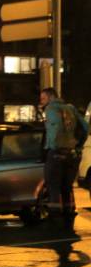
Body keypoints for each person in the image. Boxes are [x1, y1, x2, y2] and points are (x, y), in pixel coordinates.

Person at [40, 87, 89, 230]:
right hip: (72, 154)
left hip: (56, 153)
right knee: (67, 187)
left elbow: (53, 132)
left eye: (43, 98)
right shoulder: (71, 108)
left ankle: (54, 216)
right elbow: (86, 127)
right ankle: (69, 212)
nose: (41, 101)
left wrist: (50, 147)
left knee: (53, 185)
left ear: (50, 97)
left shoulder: (50, 109)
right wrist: (78, 146)